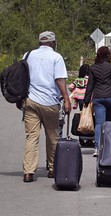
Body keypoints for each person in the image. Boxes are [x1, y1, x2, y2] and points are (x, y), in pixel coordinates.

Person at [22, 31, 71, 183]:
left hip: (30, 101)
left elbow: (22, 77)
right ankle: (52, 168)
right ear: (53, 43)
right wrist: (67, 99)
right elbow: (60, 80)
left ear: (40, 42)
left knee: (32, 137)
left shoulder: (27, 55)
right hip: (49, 103)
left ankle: (28, 172)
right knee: (52, 137)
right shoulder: (56, 57)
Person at [84, 46, 111, 157]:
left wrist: (86, 100)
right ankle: (107, 147)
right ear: (108, 55)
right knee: (109, 123)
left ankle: (97, 147)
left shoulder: (93, 68)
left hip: (98, 97)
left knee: (99, 123)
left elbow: (90, 85)